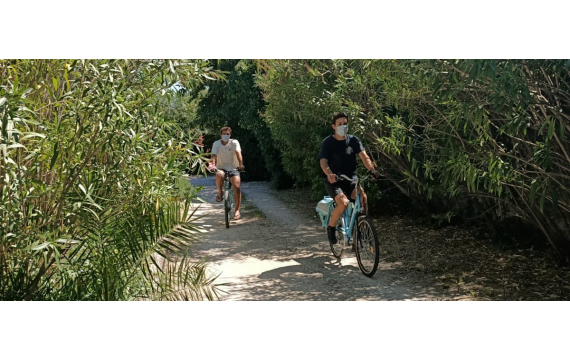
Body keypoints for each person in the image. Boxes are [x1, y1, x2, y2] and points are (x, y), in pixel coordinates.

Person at [317, 112, 380, 245]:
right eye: (340, 124)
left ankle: (363, 229)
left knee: (363, 198)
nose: (343, 126)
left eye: (345, 123)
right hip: (334, 180)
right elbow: (323, 161)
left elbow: (364, 156)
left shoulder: (353, 140)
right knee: (344, 203)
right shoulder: (328, 142)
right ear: (333, 126)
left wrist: (372, 169)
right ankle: (331, 228)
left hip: (351, 179)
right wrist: (329, 173)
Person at [210, 127, 245, 220]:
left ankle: (237, 210)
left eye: (228, 134)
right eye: (224, 134)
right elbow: (213, 155)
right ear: (221, 134)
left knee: (237, 186)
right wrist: (212, 164)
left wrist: (241, 164)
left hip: (234, 167)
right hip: (221, 167)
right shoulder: (216, 144)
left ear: (230, 134)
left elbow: (238, 153)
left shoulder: (234, 142)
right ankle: (220, 193)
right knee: (219, 174)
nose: (226, 135)